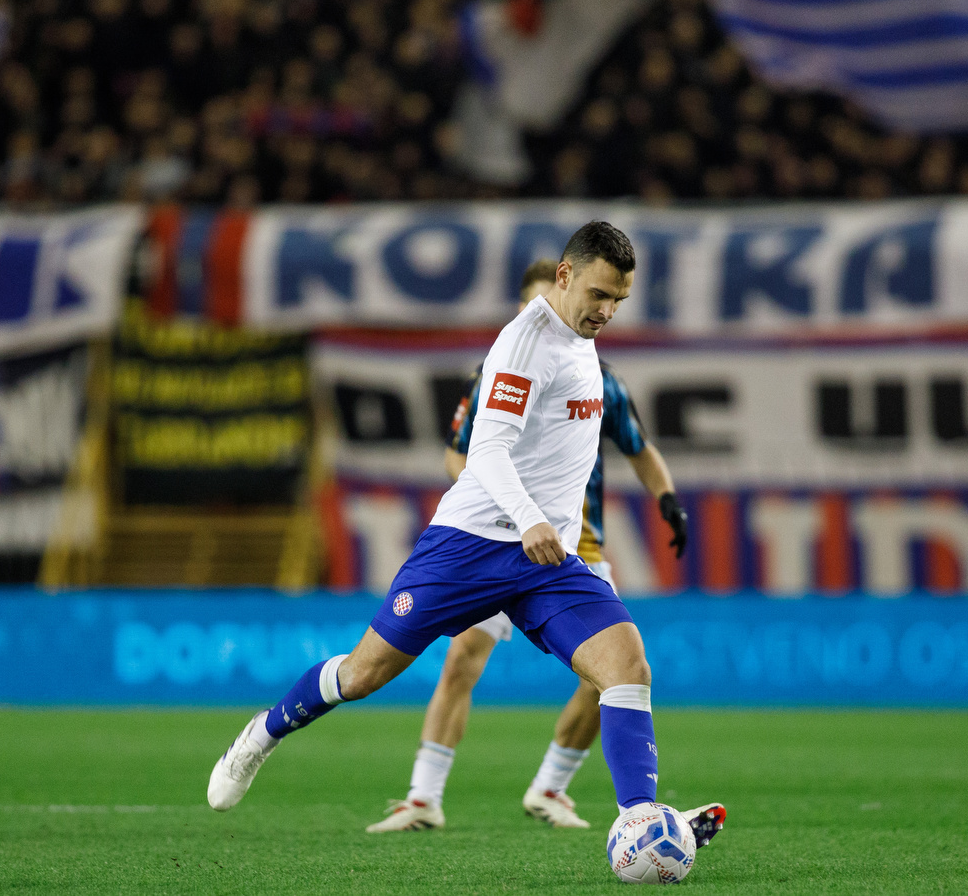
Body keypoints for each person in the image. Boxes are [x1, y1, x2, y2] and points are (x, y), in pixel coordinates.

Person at [207, 221, 725, 851]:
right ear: (565, 277)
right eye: (597, 294)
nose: (607, 311)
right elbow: (487, 448)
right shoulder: (526, 345)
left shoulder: (582, 341)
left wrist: (561, 526)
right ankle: (262, 735)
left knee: (626, 666)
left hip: (550, 560)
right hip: (471, 546)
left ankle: (639, 819)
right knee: (363, 674)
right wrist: (530, 518)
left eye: (618, 299)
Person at [367, 258, 688, 832]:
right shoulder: (498, 368)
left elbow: (640, 447)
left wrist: (668, 500)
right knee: (463, 657)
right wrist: (498, 503)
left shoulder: (600, 377)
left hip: (575, 545)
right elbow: (457, 453)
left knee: (612, 674)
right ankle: (423, 797)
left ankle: (550, 787)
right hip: (494, 541)